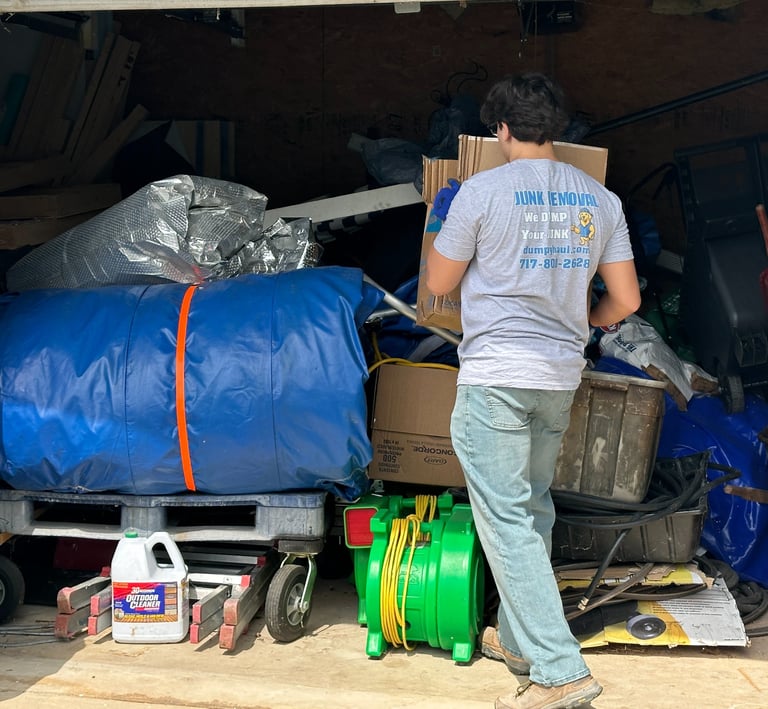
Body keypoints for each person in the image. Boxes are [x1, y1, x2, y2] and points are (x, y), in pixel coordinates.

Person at [425, 72, 641, 709]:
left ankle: (559, 671)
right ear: (557, 129)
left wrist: (443, 220)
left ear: (500, 130)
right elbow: (625, 299)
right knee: (532, 508)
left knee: (507, 521)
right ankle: (519, 642)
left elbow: (439, 281)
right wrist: (586, 324)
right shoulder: (601, 200)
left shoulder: (479, 192)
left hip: (495, 376)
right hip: (558, 378)